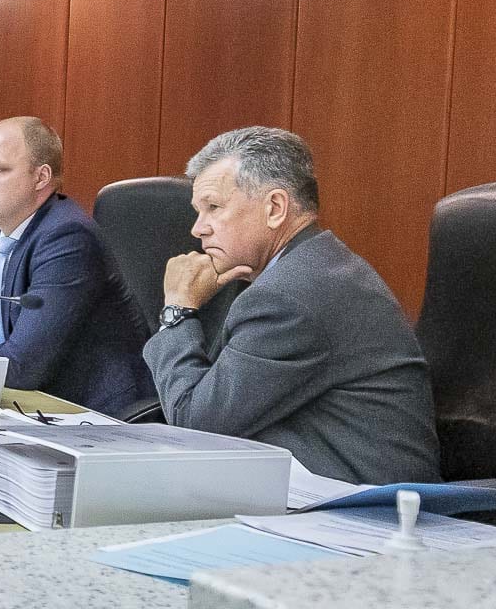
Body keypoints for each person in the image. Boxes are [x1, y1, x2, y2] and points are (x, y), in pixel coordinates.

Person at [143, 126, 441, 484]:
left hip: (364, 508)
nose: (198, 229)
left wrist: (177, 309)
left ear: (275, 208)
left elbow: (196, 425)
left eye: (213, 208)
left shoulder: (289, 296)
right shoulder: (308, 268)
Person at [0, 117, 154, 416]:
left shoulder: (67, 237)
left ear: (41, 177)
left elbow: (23, 365)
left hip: (90, 415)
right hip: (22, 404)